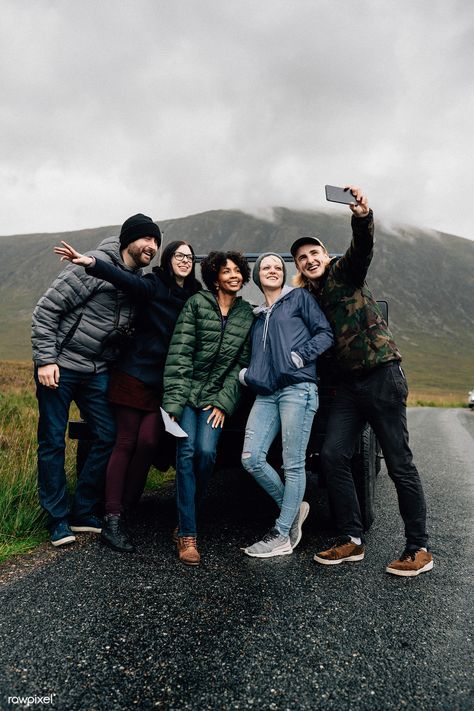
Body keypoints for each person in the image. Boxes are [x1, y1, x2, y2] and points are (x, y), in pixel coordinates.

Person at [291, 186, 433, 577]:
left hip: (381, 375)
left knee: (399, 464)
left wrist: (361, 215)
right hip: (347, 389)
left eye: (313, 253)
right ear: (299, 267)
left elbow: (362, 248)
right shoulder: (307, 299)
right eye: (302, 258)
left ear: (324, 255)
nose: (309, 260)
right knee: (334, 455)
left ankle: (418, 548)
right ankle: (351, 539)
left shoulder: (343, 273)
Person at [53, 238, 201, 552]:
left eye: (190, 257)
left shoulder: (194, 295)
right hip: (133, 373)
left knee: (149, 441)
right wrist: (91, 263)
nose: (185, 260)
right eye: (179, 255)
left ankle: (127, 504)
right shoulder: (153, 284)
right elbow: (124, 279)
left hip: (164, 382)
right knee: (125, 441)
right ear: (168, 258)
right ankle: (113, 516)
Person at [32, 213, 161, 547]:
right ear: (127, 239)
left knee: (108, 435)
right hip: (61, 366)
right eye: (146, 238)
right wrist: (46, 359)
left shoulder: (137, 281)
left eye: (156, 241)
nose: (152, 246)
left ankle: (83, 509)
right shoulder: (91, 265)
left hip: (97, 371)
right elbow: (46, 310)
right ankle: (57, 519)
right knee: (52, 440)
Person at [239, 253, 334, 558]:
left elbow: (325, 333)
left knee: (292, 464)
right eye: (266, 267)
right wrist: (246, 375)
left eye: (278, 267)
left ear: (284, 274)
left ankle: (281, 534)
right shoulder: (258, 315)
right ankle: (294, 509)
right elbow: (255, 358)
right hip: (267, 394)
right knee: (251, 458)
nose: (272, 270)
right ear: (257, 276)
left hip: (298, 389)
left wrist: (300, 356)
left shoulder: (300, 299)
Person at [162, 251, 254, 566]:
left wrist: (224, 402)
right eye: (226, 271)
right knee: (186, 454)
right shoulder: (197, 304)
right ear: (214, 277)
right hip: (187, 394)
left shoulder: (246, 314)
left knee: (206, 454)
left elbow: (240, 365)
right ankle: (188, 535)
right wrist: (174, 401)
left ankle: (187, 512)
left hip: (215, 398)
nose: (233, 275)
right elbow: (180, 353)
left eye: (237, 271)